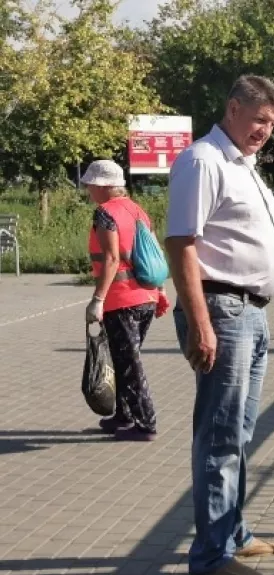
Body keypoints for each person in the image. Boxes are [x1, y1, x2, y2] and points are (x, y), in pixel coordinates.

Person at [165, 75, 274, 575]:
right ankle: (211, 556)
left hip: (250, 311)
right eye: (259, 119)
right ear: (233, 108)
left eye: (272, 124)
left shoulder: (242, 165)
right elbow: (181, 242)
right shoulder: (203, 161)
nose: (265, 130)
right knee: (219, 435)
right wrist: (200, 322)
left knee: (238, 432)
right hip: (221, 310)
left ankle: (233, 533)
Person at [82, 159, 169, 442]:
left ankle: (145, 422)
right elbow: (154, 253)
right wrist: (161, 290)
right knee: (123, 360)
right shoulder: (137, 210)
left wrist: (97, 299)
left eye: (91, 185)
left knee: (129, 364)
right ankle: (124, 415)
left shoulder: (105, 213)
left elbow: (111, 258)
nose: (88, 190)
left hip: (122, 300)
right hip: (146, 298)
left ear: (104, 186)